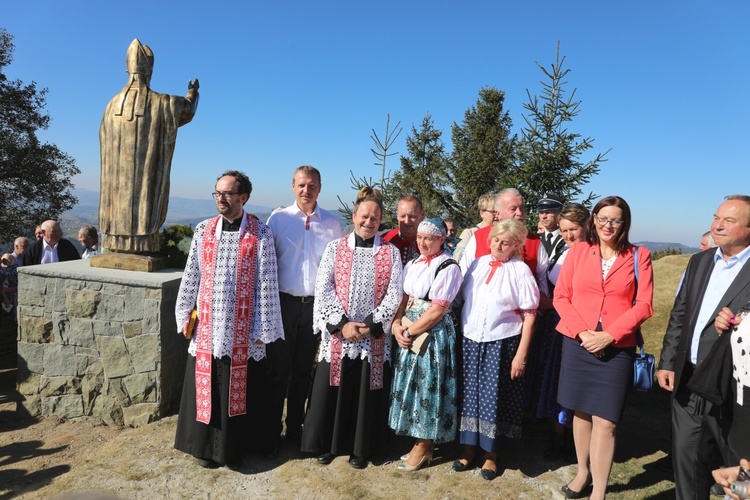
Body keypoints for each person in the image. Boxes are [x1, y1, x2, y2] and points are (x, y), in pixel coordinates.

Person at [173, 170, 284, 469]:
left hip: (244, 330)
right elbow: (192, 273)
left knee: (243, 389)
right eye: (217, 193)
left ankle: (238, 448)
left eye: (227, 193)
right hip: (208, 326)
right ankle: (204, 447)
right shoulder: (203, 230)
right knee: (207, 385)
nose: (220, 198)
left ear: (243, 197)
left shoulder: (261, 233)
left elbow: (267, 281)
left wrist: (264, 325)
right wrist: (184, 311)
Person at [554, 196, 653, 500]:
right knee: (581, 413)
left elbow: (644, 304)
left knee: (606, 421)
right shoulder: (579, 251)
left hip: (616, 346)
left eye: (616, 220)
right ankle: (582, 472)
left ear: (625, 223)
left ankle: (599, 490)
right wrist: (584, 333)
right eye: (603, 218)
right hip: (577, 341)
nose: (608, 225)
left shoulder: (640, 255)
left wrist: (609, 335)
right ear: (593, 220)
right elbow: (561, 297)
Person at [301, 187, 403, 470]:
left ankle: (362, 448)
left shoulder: (390, 253)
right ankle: (328, 444)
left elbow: (394, 293)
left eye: (374, 217)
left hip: (372, 340)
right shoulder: (336, 248)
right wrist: (342, 326)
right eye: (364, 216)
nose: (368, 222)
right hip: (339, 337)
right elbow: (324, 289)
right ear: (354, 215)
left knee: (365, 393)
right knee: (330, 389)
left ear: (381, 219)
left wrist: (369, 326)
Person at [657, 194, 750, 499]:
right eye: (716, 217)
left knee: (737, 471)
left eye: (729, 220)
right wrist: (668, 361)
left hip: (733, 390)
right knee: (687, 462)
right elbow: (680, 314)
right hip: (688, 380)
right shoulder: (699, 261)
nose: (718, 225)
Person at [452, 218, 540, 481]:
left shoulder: (520, 271)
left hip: (501, 344)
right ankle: (468, 450)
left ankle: (491, 455)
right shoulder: (478, 264)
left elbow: (530, 314)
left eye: (506, 242)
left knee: (494, 400)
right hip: (470, 341)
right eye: (495, 240)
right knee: (469, 396)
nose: (499, 245)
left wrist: (521, 355)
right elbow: (460, 298)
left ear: (516, 245)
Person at [265, 165, 342, 448]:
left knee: (302, 373)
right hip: (283, 304)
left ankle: (295, 429)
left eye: (311, 185)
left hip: (314, 308)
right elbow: (267, 264)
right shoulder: (278, 219)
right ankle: (271, 431)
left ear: (319, 188)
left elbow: (337, 271)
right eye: (301, 185)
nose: (306, 190)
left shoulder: (332, 224)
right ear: (292, 187)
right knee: (278, 370)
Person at [99, 39, 199, 253]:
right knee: (145, 197)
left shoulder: (111, 105)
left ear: (127, 68)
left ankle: (114, 243)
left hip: (116, 181)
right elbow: (187, 110)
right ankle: (142, 245)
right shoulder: (162, 102)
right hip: (144, 177)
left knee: (119, 197)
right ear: (150, 71)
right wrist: (193, 92)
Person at [389, 218, 463, 471]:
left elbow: (437, 311)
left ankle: (424, 444)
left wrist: (409, 331)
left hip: (432, 334)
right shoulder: (412, 263)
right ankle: (421, 442)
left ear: (442, 239)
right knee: (412, 385)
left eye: (429, 238)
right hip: (410, 328)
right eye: (419, 237)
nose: (422, 242)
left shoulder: (448, 267)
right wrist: (397, 324)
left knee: (428, 387)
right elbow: (404, 298)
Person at [526, 203, 590, 460]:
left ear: (587, 226)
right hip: (554, 324)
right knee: (553, 381)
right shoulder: (563, 250)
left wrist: (552, 303)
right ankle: (556, 435)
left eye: (573, 229)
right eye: (564, 230)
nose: (568, 235)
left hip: (575, 324)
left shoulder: (593, 255)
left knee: (572, 383)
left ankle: (573, 440)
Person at [459, 189, 548, 292]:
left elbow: (543, 283)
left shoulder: (535, 242)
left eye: (522, 208)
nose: (519, 213)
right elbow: (463, 274)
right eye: (513, 209)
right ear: (497, 214)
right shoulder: (479, 238)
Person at [383, 196, 425, 266]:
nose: (407, 221)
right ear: (397, 216)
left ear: (422, 214)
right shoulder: (385, 241)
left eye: (412, 216)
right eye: (402, 216)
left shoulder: (432, 242)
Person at [453, 194, 495, 264]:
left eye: (499, 211)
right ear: (482, 213)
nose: (496, 215)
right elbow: (457, 257)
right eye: (493, 212)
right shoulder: (470, 233)